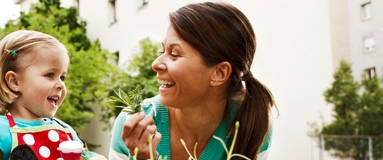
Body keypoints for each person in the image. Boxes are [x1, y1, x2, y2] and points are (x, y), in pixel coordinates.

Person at [109, 2, 275, 160]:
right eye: (162, 50)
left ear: (219, 73)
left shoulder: (252, 122)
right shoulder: (133, 127)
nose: (156, 64)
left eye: (174, 54)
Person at [0, 30, 106, 160]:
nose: (61, 85)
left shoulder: (65, 131)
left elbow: (84, 156)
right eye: (50, 75)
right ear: (14, 81)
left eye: (62, 77)